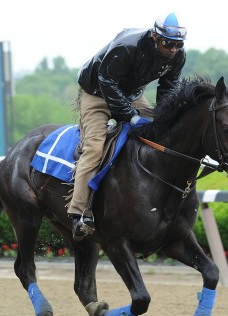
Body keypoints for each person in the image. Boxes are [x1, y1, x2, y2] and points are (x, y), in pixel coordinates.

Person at [68, 12, 187, 240]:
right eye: (168, 43)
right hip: (97, 92)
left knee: (161, 132)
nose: (173, 49)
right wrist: (130, 117)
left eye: (178, 44)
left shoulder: (177, 56)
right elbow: (107, 82)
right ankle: (79, 213)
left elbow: (168, 88)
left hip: (131, 94)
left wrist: (163, 119)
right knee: (94, 148)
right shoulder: (127, 47)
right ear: (154, 36)